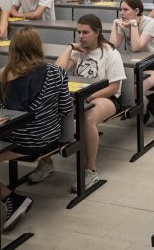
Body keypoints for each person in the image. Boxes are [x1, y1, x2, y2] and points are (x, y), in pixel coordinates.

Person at [0, 28, 71, 231]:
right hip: (47, 137)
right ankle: (10, 197)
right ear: (38, 47)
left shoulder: (4, 74)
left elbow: (3, 112)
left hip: (16, 139)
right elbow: (66, 108)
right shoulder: (56, 72)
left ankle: (8, 196)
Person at [56, 14, 127, 192]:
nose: (81, 36)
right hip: (79, 96)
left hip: (106, 98)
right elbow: (58, 71)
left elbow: (114, 87)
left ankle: (91, 170)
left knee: (87, 118)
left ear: (97, 32)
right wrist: (70, 47)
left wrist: (89, 97)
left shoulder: (110, 53)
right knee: (47, 110)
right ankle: (46, 161)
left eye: (85, 32)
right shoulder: (78, 50)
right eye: (78, 32)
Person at [110, 0, 154, 122]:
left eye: (125, 10)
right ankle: (147, 102)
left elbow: (136, 47)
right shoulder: (124, 23)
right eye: (121, 10)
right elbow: (113, 46)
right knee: (124, 87)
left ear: (136, 11)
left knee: (136, 89)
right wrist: (115, 25)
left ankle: (145, 107)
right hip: (136, 65)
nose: (122, 13)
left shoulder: (149, 22)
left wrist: (134, 24)